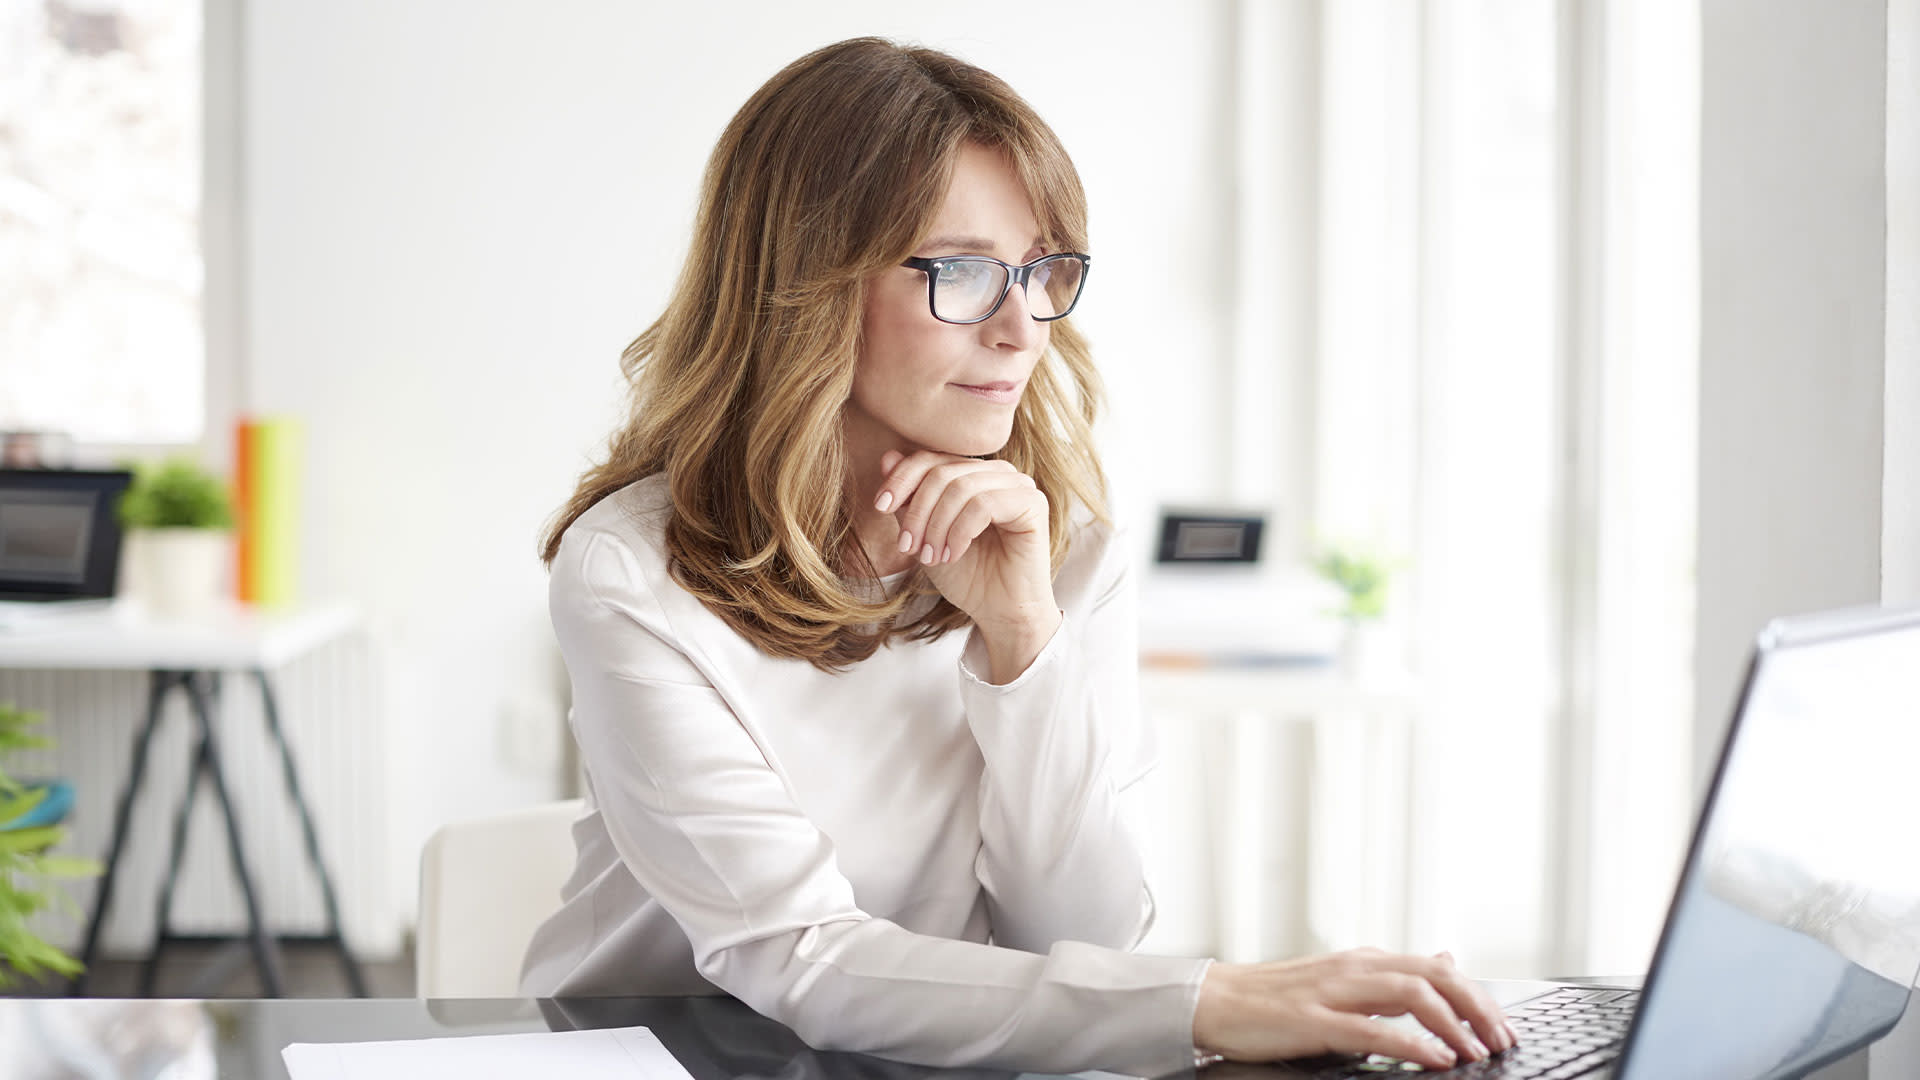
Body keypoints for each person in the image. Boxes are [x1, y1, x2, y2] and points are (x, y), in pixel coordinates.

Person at [522, 36, 1515, 1076]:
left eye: (1041, 271)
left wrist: (1024, 641)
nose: (1020, 327)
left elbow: (1079, 941)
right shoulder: (633, 573)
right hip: (652, 1054)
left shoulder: (1066, 544)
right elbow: (800, 958)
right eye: (959, 270)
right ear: (806, 286)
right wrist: (1212, 998)